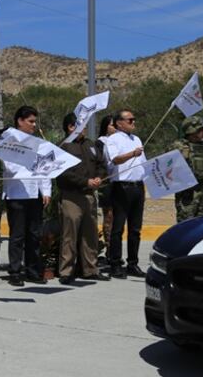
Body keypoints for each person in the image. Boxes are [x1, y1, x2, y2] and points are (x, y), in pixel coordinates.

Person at [57, 112, 109, 284]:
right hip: (72, 196)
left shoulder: (91, 145)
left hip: (89, 196)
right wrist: (85, 181)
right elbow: (63, 174)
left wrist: (98, 178)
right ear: (70, 127)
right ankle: (66, 271)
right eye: (81, 125)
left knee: (90, 234)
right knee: (69, 234)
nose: (85, 128)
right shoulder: (63, 147)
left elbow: (101, 165)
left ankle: (90, 269)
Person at [2, 106, 50, 286]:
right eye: (30, 121)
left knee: (34, 235)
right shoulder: (8, 139)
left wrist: (46, 191)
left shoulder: (37, 142)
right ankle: (15, 271)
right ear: (20, 121)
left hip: (34, 193)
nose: (34, 125)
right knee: (17, 236)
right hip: (17, 193)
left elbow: (44, 167)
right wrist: (28, 155)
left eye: (35, 121)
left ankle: (32, 270)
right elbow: (10, 167)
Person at [104, 108, 147, 279]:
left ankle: (133, 263)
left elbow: (143, 162)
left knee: (135, 228)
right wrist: (132, 153)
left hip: (137, 186)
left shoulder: (136, 139)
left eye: (133, 119)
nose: (133, 122)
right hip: (122, 187)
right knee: (118, 227)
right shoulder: (113, 140)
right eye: (130, 120)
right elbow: (115, 159)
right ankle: (115, 263)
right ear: (119, 123)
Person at [174, 116, 203, 223]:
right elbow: (169, 167)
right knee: (186, 225)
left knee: (202, 226)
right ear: (193, 131)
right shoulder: (180, 146)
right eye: (201, 130)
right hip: (188, 195)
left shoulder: (202, 146)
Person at [96, 115, 117, 266]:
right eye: (111, 125)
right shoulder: (101, 142)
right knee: (109, 215)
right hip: (107, 182)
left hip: (120, 182)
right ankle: (109, 248)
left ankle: (116, 250)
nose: (114, 127)